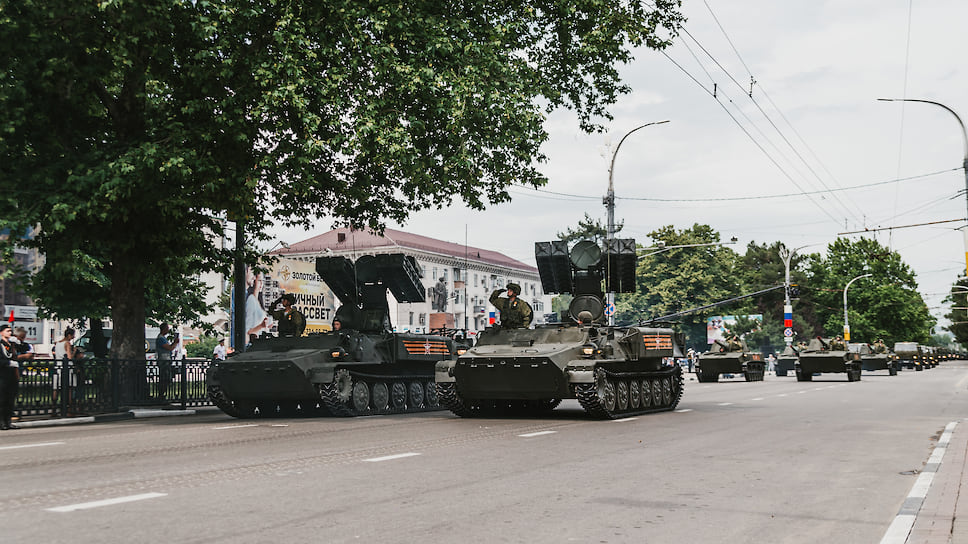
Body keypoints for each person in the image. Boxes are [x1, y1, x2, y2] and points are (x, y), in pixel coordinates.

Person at [53, 327, 82, 413]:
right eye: (73, 335)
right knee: (70, 388)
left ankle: (54, 407)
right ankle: (69, 408)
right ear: (69, 335)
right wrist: (74, 351)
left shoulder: (57, 343)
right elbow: (69, 357)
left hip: (58, 367)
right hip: (67, 368)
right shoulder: (67, 343)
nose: (73, 337)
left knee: (56, 388)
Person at [0, 324, 20, 430]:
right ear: (1, 332)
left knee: (10, 399)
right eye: (7, 331)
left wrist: (18, 342)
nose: (10, 333)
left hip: (12, 375)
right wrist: (8, 363)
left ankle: (8, 421)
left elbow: (24, 348)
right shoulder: (1, 345)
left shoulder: (12, 344)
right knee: (2, 399)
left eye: (10, 331)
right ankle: (2, 422)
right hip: (2, 375)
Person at [245, 270, 271, 344]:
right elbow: (247, 331)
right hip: (254, 342)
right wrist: (261, 326)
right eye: (259, 280)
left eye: (262, 281)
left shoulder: (258, 301)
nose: (261, 284)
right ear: (254, 281)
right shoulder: (251, 300)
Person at [155, 323, 178, 401]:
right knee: (165, 378)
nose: (168, 330)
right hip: (163, 361)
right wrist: (175, 343)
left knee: (167, 378)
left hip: (166, 360)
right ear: (164, 329)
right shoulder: (160, 338)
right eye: (167, 328)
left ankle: (162, 394)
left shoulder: (163, 338)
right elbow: (169, 348)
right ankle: (161, 395)